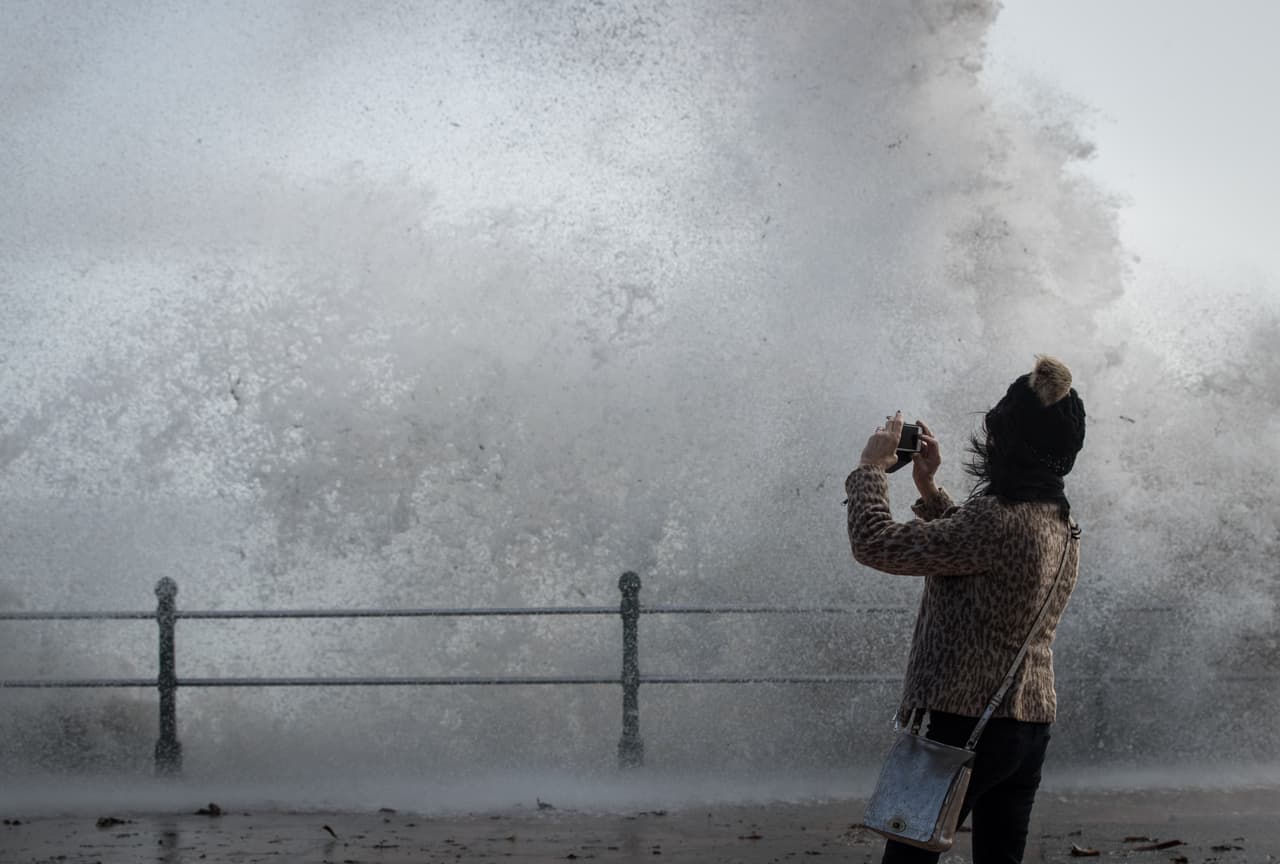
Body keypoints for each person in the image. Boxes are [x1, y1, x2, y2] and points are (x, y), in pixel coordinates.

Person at [845, 356, 1086, 864]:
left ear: (1003, 436)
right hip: (1027, 725)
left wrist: (870, 470)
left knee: (908, 858)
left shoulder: (997, 521)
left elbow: (873, 543)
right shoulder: (1059, 522)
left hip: (962, 724)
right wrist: (930, 489)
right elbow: (977, 555)